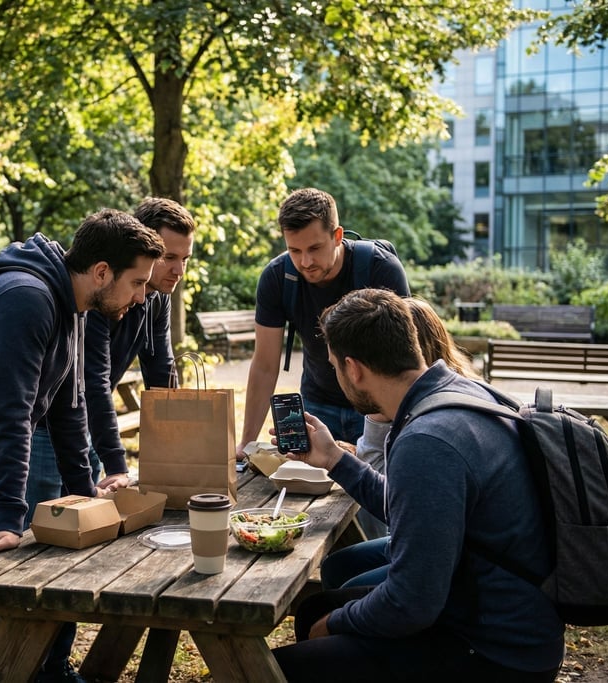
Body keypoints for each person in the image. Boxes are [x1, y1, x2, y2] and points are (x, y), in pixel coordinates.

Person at [271, 288, 564, 682]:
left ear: (353, 369)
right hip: (504, 615)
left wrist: (334, 625)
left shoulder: (427, 439)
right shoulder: (459, 394)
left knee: (277, 668)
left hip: (495, 650)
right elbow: (413, 508)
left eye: (334, 367)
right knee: (313, 610)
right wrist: (334, 459)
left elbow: (411, 604)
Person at [0, 210, 165, 683]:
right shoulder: (28, 299)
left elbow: (67, 410)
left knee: (42, 577)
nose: (142, 296)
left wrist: (84, 498)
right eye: (137, 282)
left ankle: (49, 673)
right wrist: (10, 518)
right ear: (102, 272)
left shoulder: (73, 307)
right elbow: (9, 412)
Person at [25, 197, 196, 517]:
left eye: (185, 258)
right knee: (41, 526)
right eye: (170, 257)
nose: (179, 270)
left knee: (85, 518)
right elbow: (93, 380)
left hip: (82, 424)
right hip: (47, 427)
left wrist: (178, 454)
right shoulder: (101, 293)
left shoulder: (157, 297)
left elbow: (161, 371)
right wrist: (117, 465)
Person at [237, 187, 410, 461]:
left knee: (372, 496)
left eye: (315, 248)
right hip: (318, 404)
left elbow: (404, 361)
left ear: (337, 236)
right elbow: (265, 365)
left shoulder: (381, 269)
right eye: (294, 250)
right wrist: (246, 445)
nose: (305, 262)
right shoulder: (277, 277)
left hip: (376, 409)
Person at [344, 296, 480, 542]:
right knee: (342, 564)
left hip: (452, 543)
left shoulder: (428, 422)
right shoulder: (463, 386)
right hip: (464, 537)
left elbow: (388, 497)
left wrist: (376, 415)